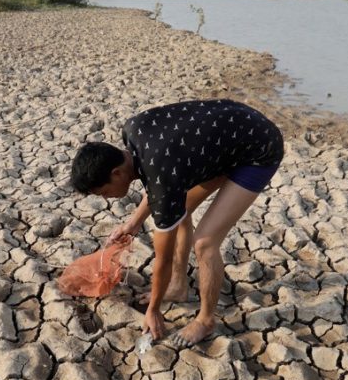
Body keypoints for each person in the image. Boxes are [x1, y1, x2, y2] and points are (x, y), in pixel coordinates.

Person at [70, 99, 284, 346]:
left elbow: (163, 258)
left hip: (258, 149)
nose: (105, 198)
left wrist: (153, 309)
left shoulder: (161, 177)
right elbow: (163, 184)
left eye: (103, 192)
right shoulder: (132, 130)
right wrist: (133, 223)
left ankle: (205, 321)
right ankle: (179, 286)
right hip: (233, 129)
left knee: (205, 242)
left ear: (117, 173)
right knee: (178, 206)